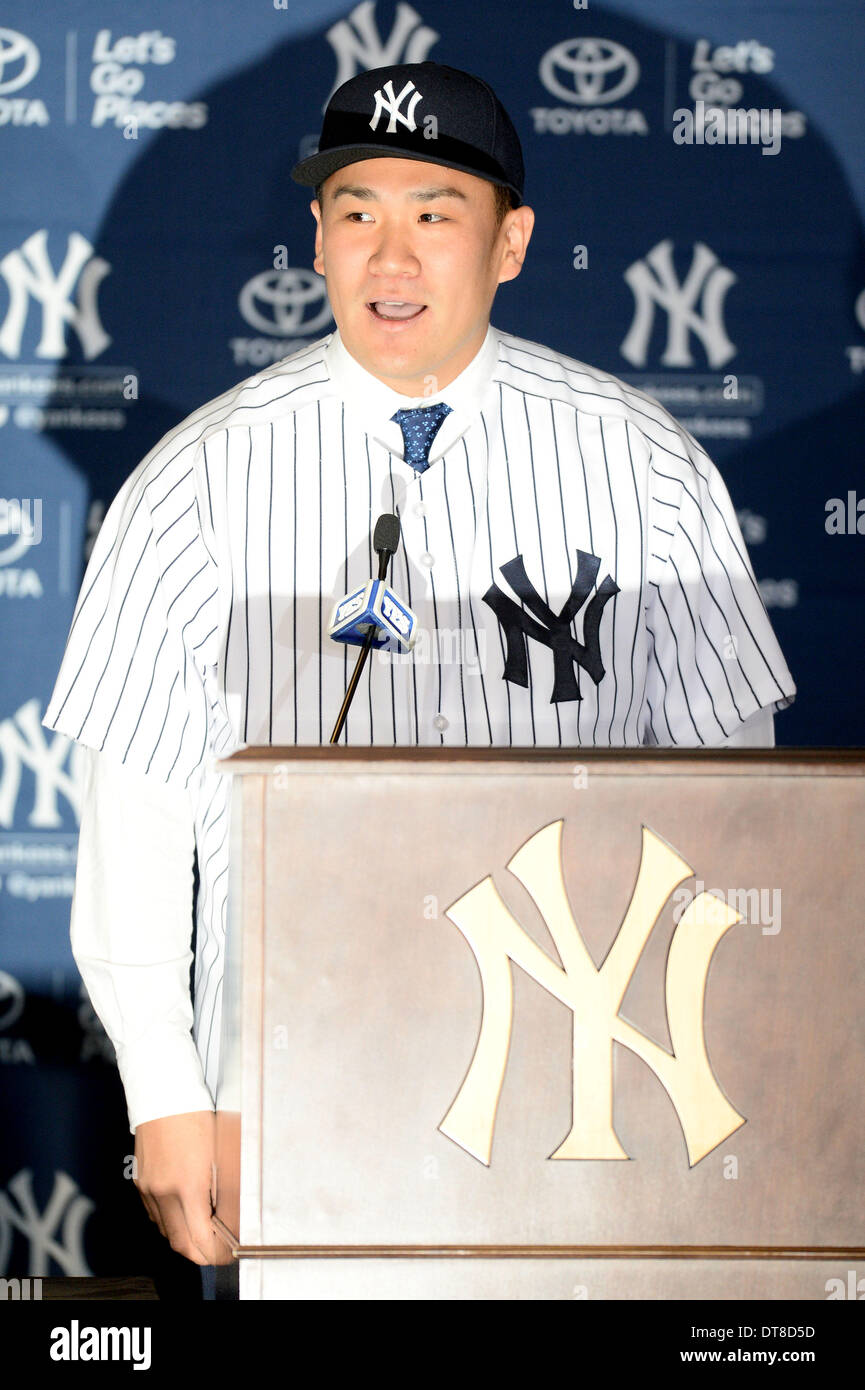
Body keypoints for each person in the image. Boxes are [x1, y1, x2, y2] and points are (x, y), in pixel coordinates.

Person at [44, 61, 795, 1269]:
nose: (391, 259)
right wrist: (164, 1095)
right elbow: (133, 829)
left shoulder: (646, 467)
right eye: (357, 215)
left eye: (435, 215)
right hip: (297, 1086)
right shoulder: (191, 484)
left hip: (587, 1096)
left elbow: (743, 822)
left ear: (511, 242)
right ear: (318, 238)